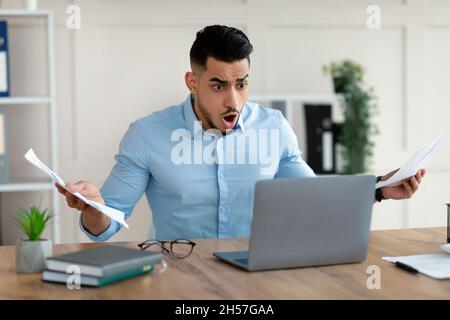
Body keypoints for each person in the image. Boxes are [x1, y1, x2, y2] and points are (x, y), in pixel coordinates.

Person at [56, 25, 426, 241]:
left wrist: (378, 189)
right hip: (176, 282)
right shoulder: (147, 135)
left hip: (256, 280)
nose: (234, 100)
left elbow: (314, 196)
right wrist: (93, 208)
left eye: (242, 84)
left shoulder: (274, 127)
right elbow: (105, 225)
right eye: (218, 86)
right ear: (192, 81)